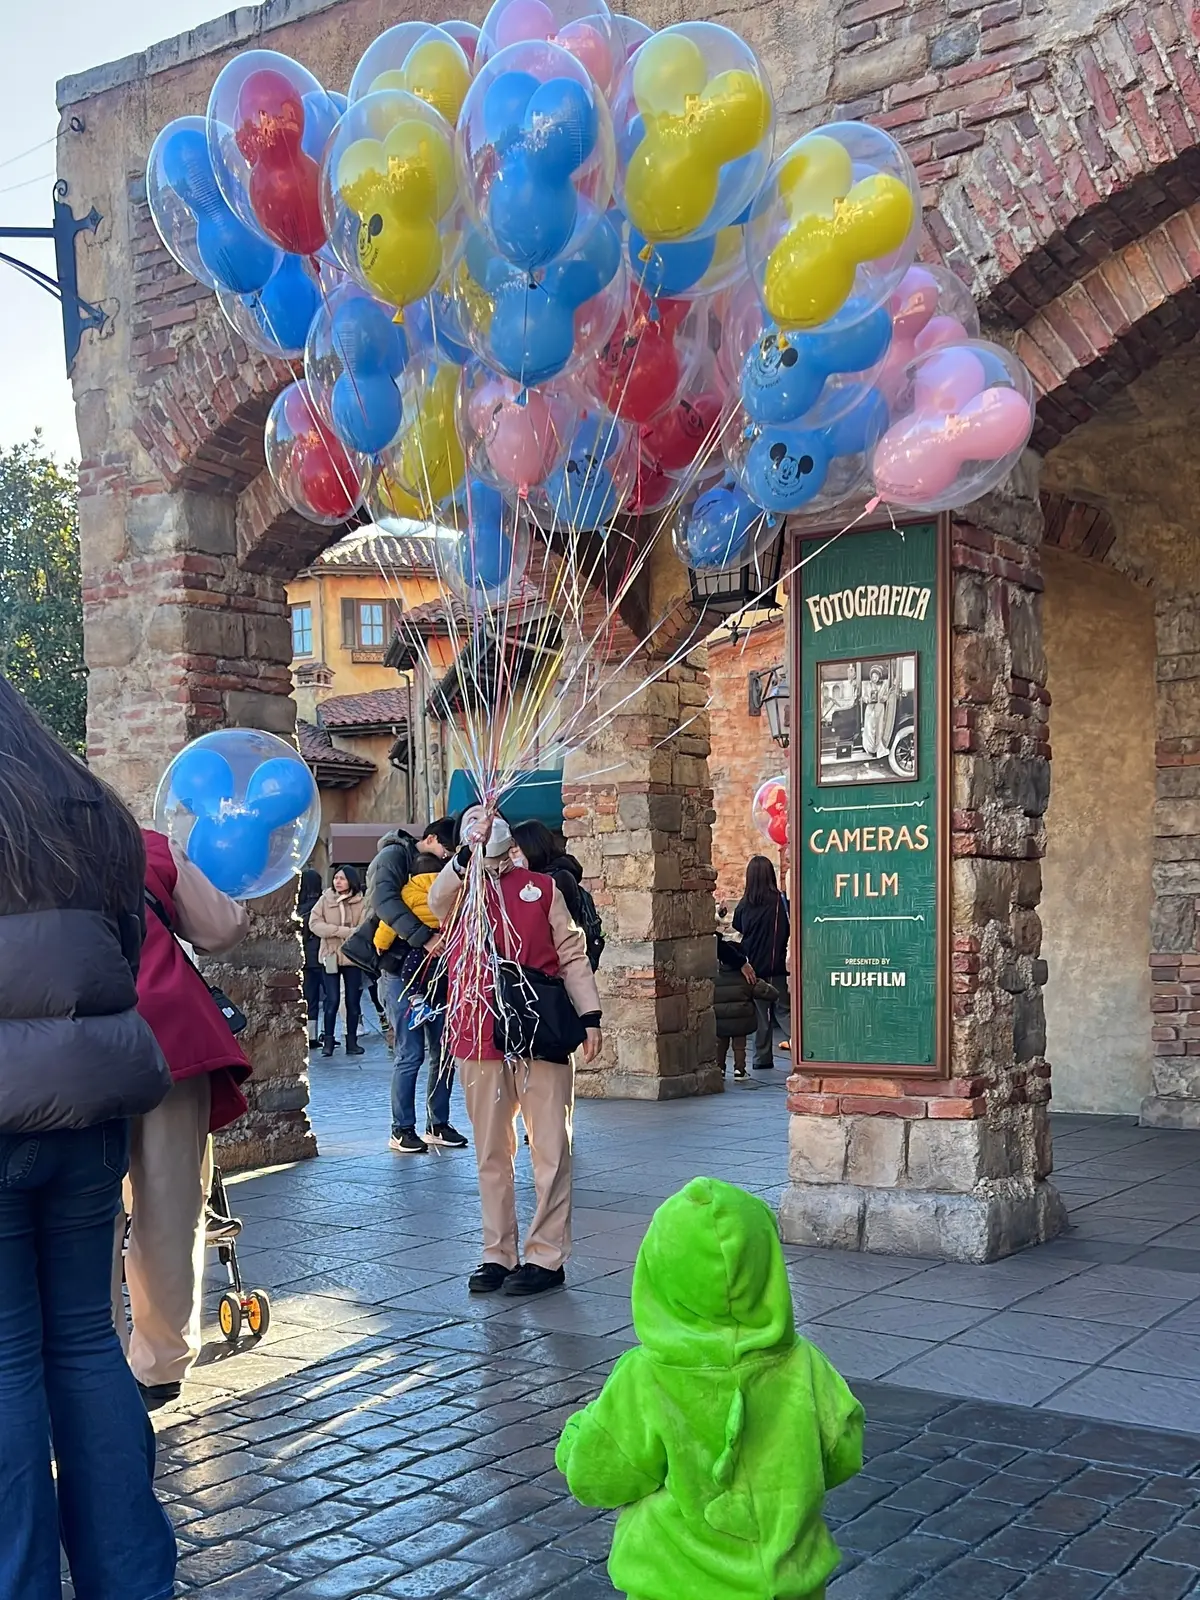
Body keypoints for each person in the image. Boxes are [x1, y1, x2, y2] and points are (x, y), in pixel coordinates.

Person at [0, 675, 177, 1600]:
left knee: (6, 1361)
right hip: (88, 1115)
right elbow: (122, 947)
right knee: (83, 1341)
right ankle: (133, 1582)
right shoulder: (86, 807)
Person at [555, 1177, 863, 1600]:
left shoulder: (646, 1377)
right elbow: (842, 1455)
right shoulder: (805, 1364)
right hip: (790, 1583)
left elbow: (598, 1477)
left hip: (674, 1583)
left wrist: (575, 1438)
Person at [429, 804, 602, 1296]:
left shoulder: (542, 888)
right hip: (477, 1033)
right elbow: (437, 901)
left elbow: (571, 952)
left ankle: (547, 1257)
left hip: (539, 1030)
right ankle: (497, 1254)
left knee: (550, 1147)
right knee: (490, 1150)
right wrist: (465, 857)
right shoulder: (463, 889)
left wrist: (589, 1016)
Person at [122, 828, 251, 1409]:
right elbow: (222, 929)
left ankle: (89, 1358)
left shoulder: (22, 846)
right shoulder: (145, 844)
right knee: (170, 1208)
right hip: (168, 1037)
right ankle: (159, 1362)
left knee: (80, 1211)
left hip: (65, 1045)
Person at [382, 818, 466, 1154]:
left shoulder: (451, 891)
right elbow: (384, 911)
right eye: (447, 849)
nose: (449, 857)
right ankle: (402, 1128)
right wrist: (425, 937)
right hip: (402, 977)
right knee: (412, 1053)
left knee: (443, 1052)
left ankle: (437, 1123)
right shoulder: (393, 862)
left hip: (436, 978)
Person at [509, 818, 605, 970]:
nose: (512, 857)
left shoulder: (558, 879)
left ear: (532, 847)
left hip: (559, 966)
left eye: (515, 850)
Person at [733, 854, 791, 1070]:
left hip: (752, 969)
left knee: (760, 1015)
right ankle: (805, 1052)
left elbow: (738, 927)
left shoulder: (744, 904)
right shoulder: (781, 901)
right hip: (775, 965)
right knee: (783, 1010)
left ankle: (762, 1059)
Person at [309, 865, 368, 1056]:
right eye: (336, 878)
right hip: (331, 955)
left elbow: (365, 927)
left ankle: (352, 1041)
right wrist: (341, 932)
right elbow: (315, 924)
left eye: (342, 878)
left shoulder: (361, 902)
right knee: (332, 999)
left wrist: (341, 932)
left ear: (350, 880)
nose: (338, 882)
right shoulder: (325, 900)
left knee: (352, 1000)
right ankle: (328, 1041)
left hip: (353, 957)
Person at [714, 934, 758, 1080]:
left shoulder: (715, 977)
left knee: (720, 1045)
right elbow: (762, 989)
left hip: (720, 1019)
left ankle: (719, 1069)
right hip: (741, 1020)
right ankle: (740, 1070)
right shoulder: (745, 978)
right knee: (739, 1046)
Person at [297, 867, 325, 1048]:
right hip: (325, 956)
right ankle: (327, 1034)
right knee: (333, 998)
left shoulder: (299, 909)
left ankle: (311, 1035)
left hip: (307, 958)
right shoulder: (323, 904)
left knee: (310, 998)